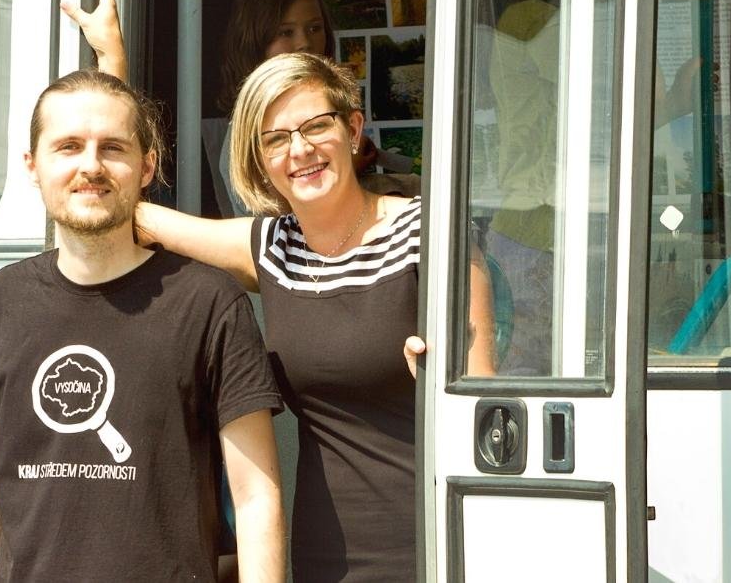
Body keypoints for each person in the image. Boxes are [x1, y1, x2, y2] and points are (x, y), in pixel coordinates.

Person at [136, 53, 496, 580]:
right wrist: (113, 59)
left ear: (352, 129)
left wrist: (445, 387)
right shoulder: (272, 248)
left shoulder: (432, 233)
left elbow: (489, 417)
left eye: (315, 126)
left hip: (439, 542)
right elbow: (131, 212)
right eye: (276, 138)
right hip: (326, 554)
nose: (299, 149)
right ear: (259, 159)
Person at [0, 70, 286, 582]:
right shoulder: (1, 301)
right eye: (68, 146)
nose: (91, 166)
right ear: (33, 166)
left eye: (113, 148)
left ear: (147, 167)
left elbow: (255, 497)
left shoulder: (210, 303)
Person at [62, 0, 418, 217]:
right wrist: (113, 59)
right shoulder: (245, 133)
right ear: (255, 42)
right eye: (285, 32)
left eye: (314, 28)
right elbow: (289, 226)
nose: (305, 43)